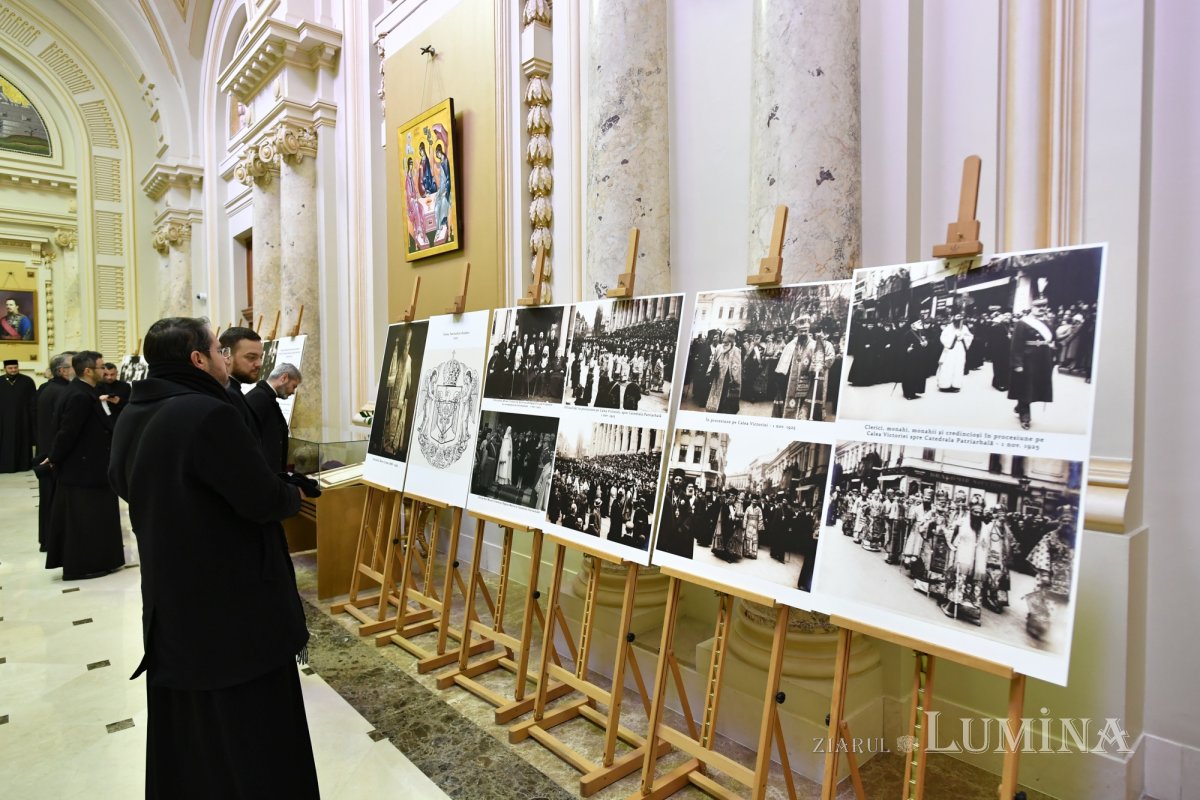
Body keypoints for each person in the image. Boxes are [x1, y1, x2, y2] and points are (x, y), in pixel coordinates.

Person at [108, 316, 320, 799]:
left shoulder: (135, 412)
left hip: (171, 598)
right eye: (220, 352)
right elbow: (261, 499)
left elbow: (122, 483)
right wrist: (293, 497)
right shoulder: (207, 413)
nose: (228, 359)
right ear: (198, 359)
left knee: (191, 731)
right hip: (231, 605)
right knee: (250, 733)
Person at [43, 351, 124, 579]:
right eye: (100, 367)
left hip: (90, 468)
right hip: (83, 470)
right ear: (88, 371)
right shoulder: (80, 396)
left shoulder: (85, 392)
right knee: (85, 521)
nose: (104, 371)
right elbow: (67, 433)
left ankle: (101, 560)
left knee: (94, 519)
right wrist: (54, 457)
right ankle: (87, 563)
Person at [34, 353, 73, 549]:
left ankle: (49, 540)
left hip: (48, 452)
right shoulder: (62, 392)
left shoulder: (51, 389)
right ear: (63, 371)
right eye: (74, 366)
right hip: (55, 456)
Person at [245, 363, 302, 472]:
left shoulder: (266, 397)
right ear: (284, 378)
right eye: (294, 386)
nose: (293, 392)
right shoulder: (258, 398)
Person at [1008, 301, 1055, 430]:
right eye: (1038, 307)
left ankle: (1020, 405)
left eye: (1044, 307)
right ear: (1032, 308)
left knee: (1037, 387)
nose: (1041, 309)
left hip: (1043, 359)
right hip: (1028, 358)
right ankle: (1025, 415)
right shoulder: (1023, 323)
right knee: (1026, 387)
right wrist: (1017, 363)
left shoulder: (1048, 323)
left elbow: (1052, 340)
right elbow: (1016, 344)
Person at [219, 326, 264, 434]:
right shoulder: (228, 394)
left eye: (260, 357)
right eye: (251, 357)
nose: (259, 364)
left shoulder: (231, 391)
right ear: (227, 356)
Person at [0, 358, 36, 472]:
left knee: (23, 440)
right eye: (10, 368)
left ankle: (23, 465)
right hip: (3, 419)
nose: (13, 370)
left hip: (23, 418)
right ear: (5, 369)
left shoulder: (27, 381)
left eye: (15, 368)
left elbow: (33, 400)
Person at [705, 329, 742, 413]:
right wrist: (710, 370)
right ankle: (715, 407)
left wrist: (735, 378)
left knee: (726, 393)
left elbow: (736, 365)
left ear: (730, 337)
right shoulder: (719, 347)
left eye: (724, 335)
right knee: (716, 391)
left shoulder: (736, 350)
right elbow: (713, 360)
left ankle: (723, 409)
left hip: (728, 376)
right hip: (717, 374)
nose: (722, 337)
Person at [936, 314, 973, 392]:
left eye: (960, 317)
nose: (959, 319)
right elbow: (943, 337)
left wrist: (963, 337)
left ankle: (956, 385)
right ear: (954, 318)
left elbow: (970, 336)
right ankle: (944, 385)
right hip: (950, 350)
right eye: (957, 317)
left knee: (958, 366)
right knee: (948, 366)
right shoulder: (949, 327)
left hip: (960, 349)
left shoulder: (965, 327)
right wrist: (954, 336)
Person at [900, 320, 928, 400]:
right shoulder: (907, 334)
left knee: (918, 375)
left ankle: (914, 392)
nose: (920, 324)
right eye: (918, 323)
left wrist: (926, 343)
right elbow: (902, 346)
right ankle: (908, 393)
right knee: (910, 376)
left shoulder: (921, 332)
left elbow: (926, 340)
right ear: (912, 325)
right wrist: (907, 349)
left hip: (920, 358)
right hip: (910, 358)